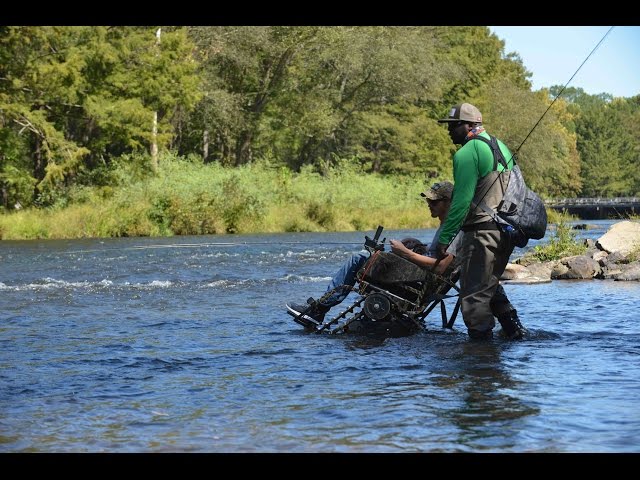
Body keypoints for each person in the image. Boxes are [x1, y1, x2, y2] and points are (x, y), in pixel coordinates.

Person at [286, 181, 460, 324]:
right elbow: (434, 257)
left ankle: (318, 310)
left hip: (419, 282)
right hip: (418, 277)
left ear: (450, 202)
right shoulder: (446, 226)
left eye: (435, 201)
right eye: (428, 200)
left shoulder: (454, 230)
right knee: (372, 253)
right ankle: (319, 309)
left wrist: (406, 252)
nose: (429, 204)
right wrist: (413, 248)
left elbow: (440, 268)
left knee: (359, 258)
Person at [434, 103, 526, 340]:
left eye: (453, 126)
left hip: (482, 233)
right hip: (506, 231)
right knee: (489, 286)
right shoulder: (501, 146)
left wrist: (446, 239)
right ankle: (514, 332)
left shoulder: (466, 153)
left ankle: (481, 359)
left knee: (474, 297)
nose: (449, 130)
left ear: (469, 125)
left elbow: (461, 201)